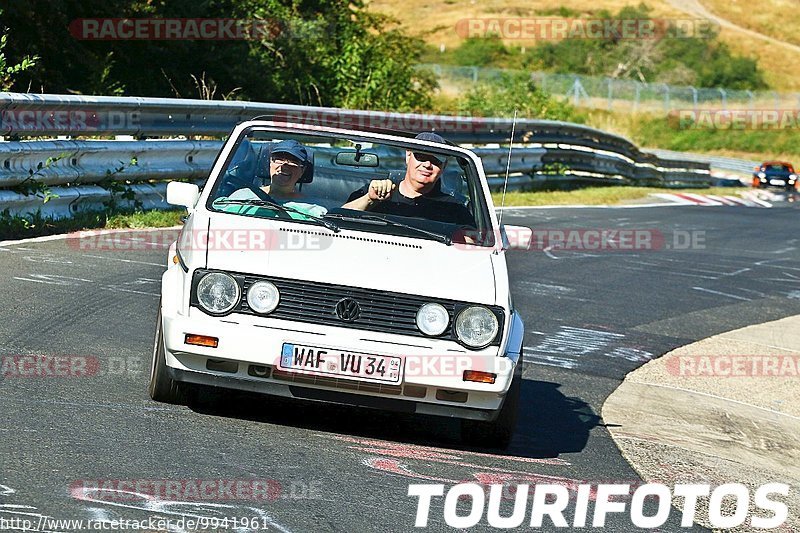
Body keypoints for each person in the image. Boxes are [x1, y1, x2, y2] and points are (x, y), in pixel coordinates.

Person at [341, 132, 474, 226]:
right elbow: (339, 218)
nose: (427, 165)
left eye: (436, 160)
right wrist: (369, 199)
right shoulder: (376, 191)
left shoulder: (453, 207)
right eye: (421, 157)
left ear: (443, 166)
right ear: (408, 156)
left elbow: (472, 243)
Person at [217, 139, 327, 220]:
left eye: (293, 161)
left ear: (302, 171)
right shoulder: (243, 195)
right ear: (270, 164)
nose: (284, 165)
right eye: (279, 159)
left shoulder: (312, 209)